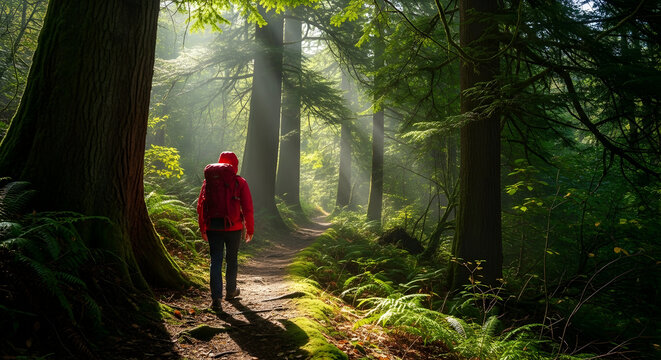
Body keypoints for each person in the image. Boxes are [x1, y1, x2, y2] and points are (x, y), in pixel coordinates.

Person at [197, 151, 254, 312]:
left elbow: (201, 206)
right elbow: (248, 208)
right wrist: (250, 229)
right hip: (234, 227)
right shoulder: (240, 182)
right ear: (235, 165)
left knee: (215, 261)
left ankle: (216, 299)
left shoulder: (208, 182)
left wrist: (202, 228)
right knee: (231, 259)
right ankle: (230, 291)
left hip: (213, 227)